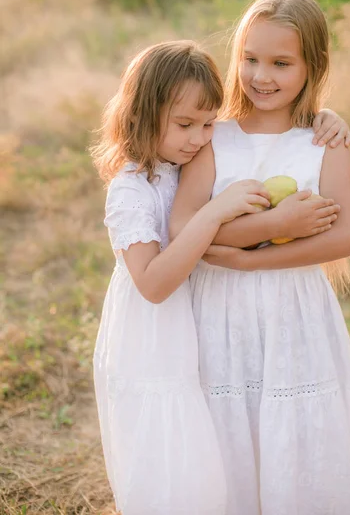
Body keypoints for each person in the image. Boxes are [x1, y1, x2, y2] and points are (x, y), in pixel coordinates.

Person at [170, 0, 350, 515]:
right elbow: (183, 228)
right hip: (220, 314)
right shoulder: (214, 137)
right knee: (231, 423)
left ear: (313, 66)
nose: (260, 76)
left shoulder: (324, 140)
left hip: (294, 312)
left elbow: (341, 238)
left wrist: (248, 256)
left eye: (280, 63)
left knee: (296, 426)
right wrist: (275, 224)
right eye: (249, 59)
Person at [90, 40, 282, 514]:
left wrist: (327, 120)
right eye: (184, 125)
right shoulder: (130, 189)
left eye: (207, 123)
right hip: (154, 342)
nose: (199, 137)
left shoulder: (192, 164)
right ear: (140, 113)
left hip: (202, 331)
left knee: (211, 447)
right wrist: (215, 212)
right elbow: (153, 284)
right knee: (169, 454)